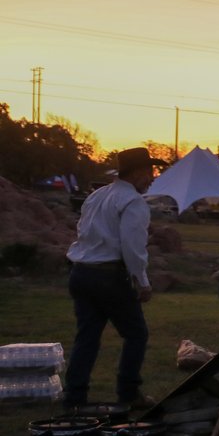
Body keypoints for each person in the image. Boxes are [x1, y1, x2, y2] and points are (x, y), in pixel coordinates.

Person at [63, 146, 166, 409]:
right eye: (150, 171)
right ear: (139, 173)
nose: (153, 177)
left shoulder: (96, 196)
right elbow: (132, 247)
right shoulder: (133, 202)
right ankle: (129, 393)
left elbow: (83, 230)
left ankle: (74, 398)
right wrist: (142, 282)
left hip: (81, 272)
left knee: (87, 336)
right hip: (109, 275)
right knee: (136, 334)